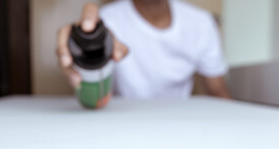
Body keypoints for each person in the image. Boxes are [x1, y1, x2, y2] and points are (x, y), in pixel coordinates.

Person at [56, 0, 231, 99]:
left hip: (182, 124)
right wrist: (83, 49)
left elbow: (217, 91)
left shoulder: (201, 22)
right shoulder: (107, 21)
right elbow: (94, 100)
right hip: (122, 123)